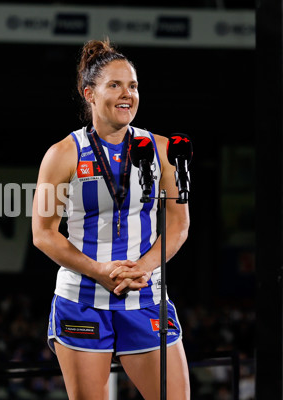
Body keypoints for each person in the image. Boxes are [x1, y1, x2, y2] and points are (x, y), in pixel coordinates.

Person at [32, 39, 191, 399]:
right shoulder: (61, 154)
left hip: (146, 296)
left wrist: (145, 267)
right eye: (115, 85)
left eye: (133, 85)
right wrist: (98, 270)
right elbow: (43, 234)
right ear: (89, 93)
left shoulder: (164, 151)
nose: (127, 94)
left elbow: (179, 224)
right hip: (82, 300)